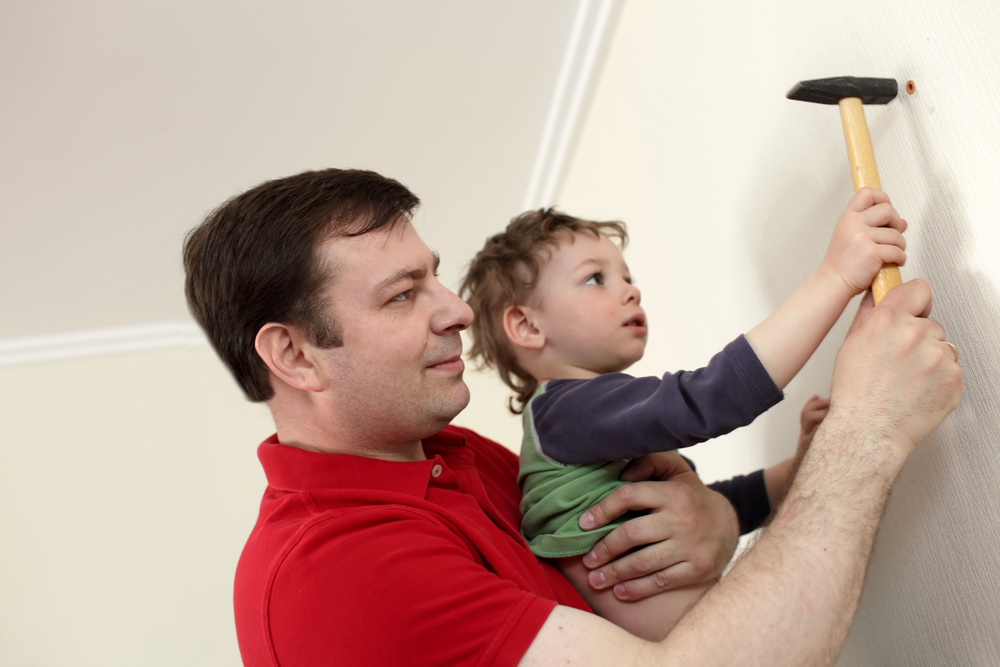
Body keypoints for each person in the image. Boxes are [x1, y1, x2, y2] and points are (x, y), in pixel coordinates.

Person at [183, 168, 961, 666]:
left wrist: (715, 519)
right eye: (401, 294)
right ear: (294, 355)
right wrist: (866, 428)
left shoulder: (466, 458)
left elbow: (607, 576)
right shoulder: (335, 572)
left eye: (435, 279)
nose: (455, 311)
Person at [457, 201, 899, 638]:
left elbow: (709, 510)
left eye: (627, 277)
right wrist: (836, 276)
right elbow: (708, 399)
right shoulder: (565, 413)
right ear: (528, 327)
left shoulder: (586, 426)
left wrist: (796, 468)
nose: (631, 290)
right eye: (596, 278)